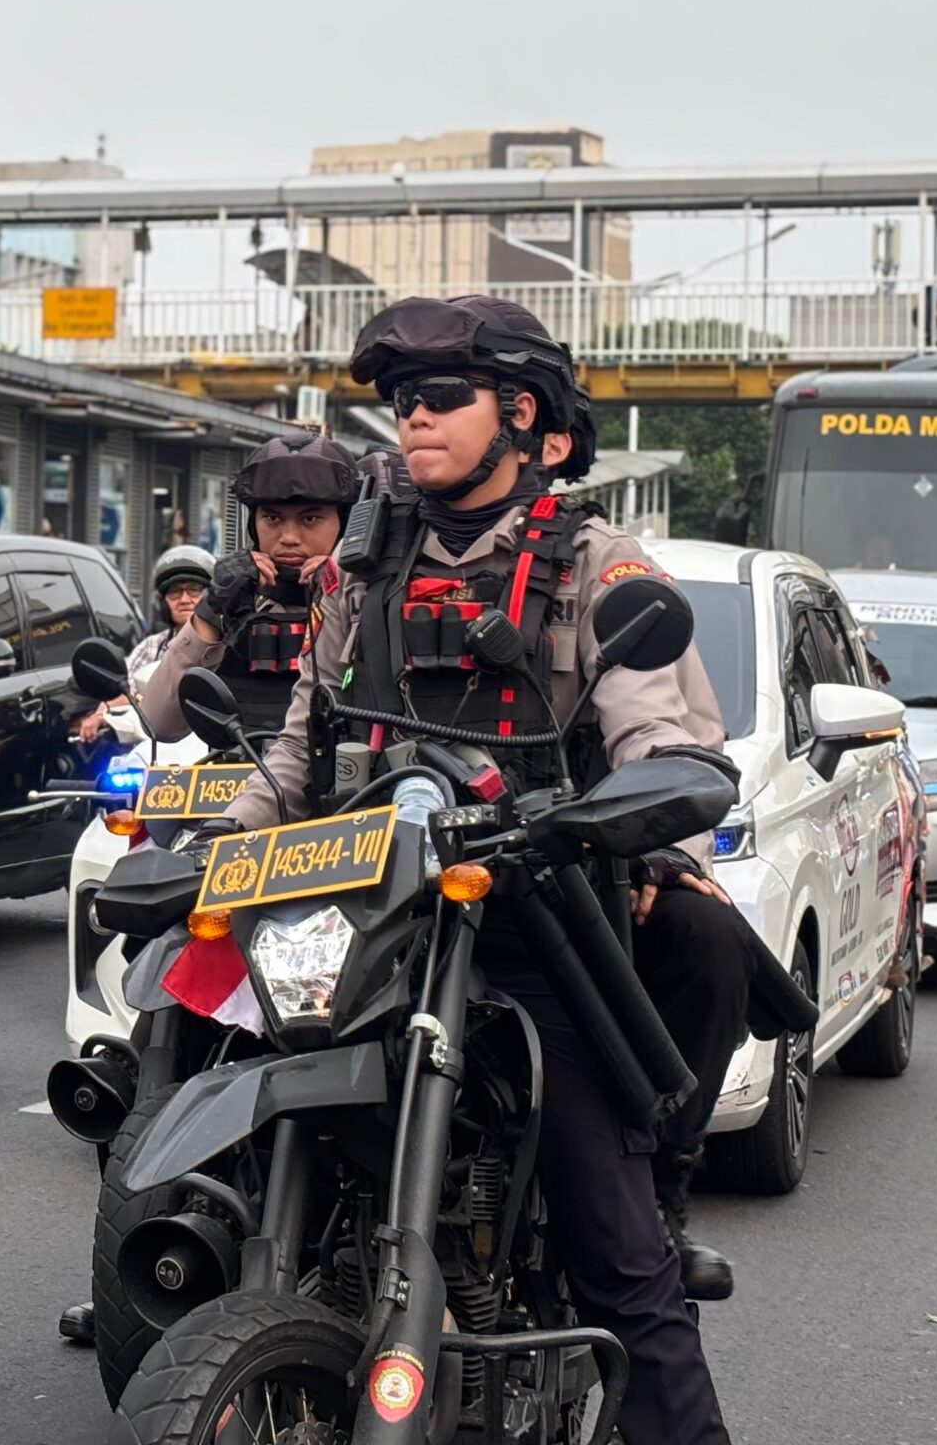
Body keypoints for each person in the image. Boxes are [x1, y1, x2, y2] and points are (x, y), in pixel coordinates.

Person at [216, 295, 747, 1445]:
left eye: (441, 398)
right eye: (401, 401)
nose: (412, 419)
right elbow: (304, 752)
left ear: (527, 422)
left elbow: (661, 735)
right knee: (188, 1066)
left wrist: (643, 824)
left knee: (623, 1264)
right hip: (364, 920)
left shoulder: (595, 564)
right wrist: (210, 852)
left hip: (530, 922)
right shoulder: (359, 569)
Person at [135, 432, 358, 747]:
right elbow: (159, 723)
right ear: (253, 523)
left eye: (310, 518)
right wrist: (212, 609)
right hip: (242, 784)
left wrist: (342, 587)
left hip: (350, 789)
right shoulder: (234, 600)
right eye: (272, 518)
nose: (289, 537)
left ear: (345, 522)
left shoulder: (366, 596)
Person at [80, 543, 214, 748]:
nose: (184, 599)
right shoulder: (151, 646)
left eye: (194, 591)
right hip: (159, 747)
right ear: (162, 603)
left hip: (214, 745)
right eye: (175, 593)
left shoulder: (229, 641)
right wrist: (100, 715)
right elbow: (126, 690)